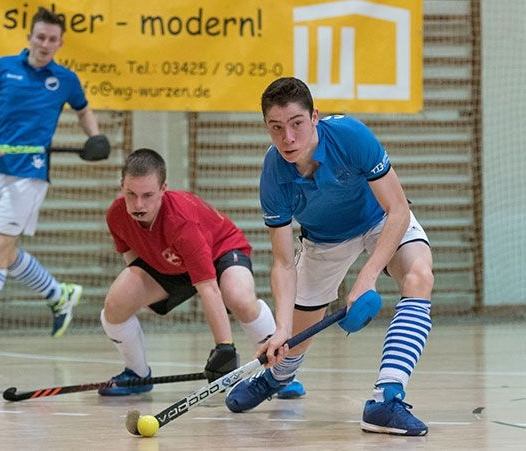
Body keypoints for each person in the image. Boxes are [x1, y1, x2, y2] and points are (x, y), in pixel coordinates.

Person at [225, 77, 434, 436]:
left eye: (296, 124)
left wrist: (366, 278)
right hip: (324, 241)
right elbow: (282, 261)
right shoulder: (274, 176)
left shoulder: (351, 136)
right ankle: (278, 377)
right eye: (276, 128)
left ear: (314, 117)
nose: (288, 138)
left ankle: (386, 399)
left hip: (379, 220)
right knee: (296, 341)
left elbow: (397, 209)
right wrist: (282, 331)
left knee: (419, 277)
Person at [0, 7, 102, 349]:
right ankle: (59, 293)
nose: (45, 43)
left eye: (52, 39)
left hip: (31, 172)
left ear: (60, 43)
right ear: (29, 37)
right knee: (5, 252)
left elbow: (83, 110)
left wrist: (95, 138)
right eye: (40, 36)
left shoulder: (65, 79)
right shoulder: (3, 68)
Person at [98, 148, 303, 398]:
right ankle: (137, 375)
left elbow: (208, 288)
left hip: (221, 252)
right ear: (121, 186)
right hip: (172, 263)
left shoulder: (181, 223)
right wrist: (145, 294)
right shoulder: (116, 215)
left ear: (164, 188)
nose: (139, 205)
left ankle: (281, 373)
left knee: (238, 298)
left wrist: (224, 348)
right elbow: (134, 258)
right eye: (131, 194)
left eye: (148, 195)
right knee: (116, 305)